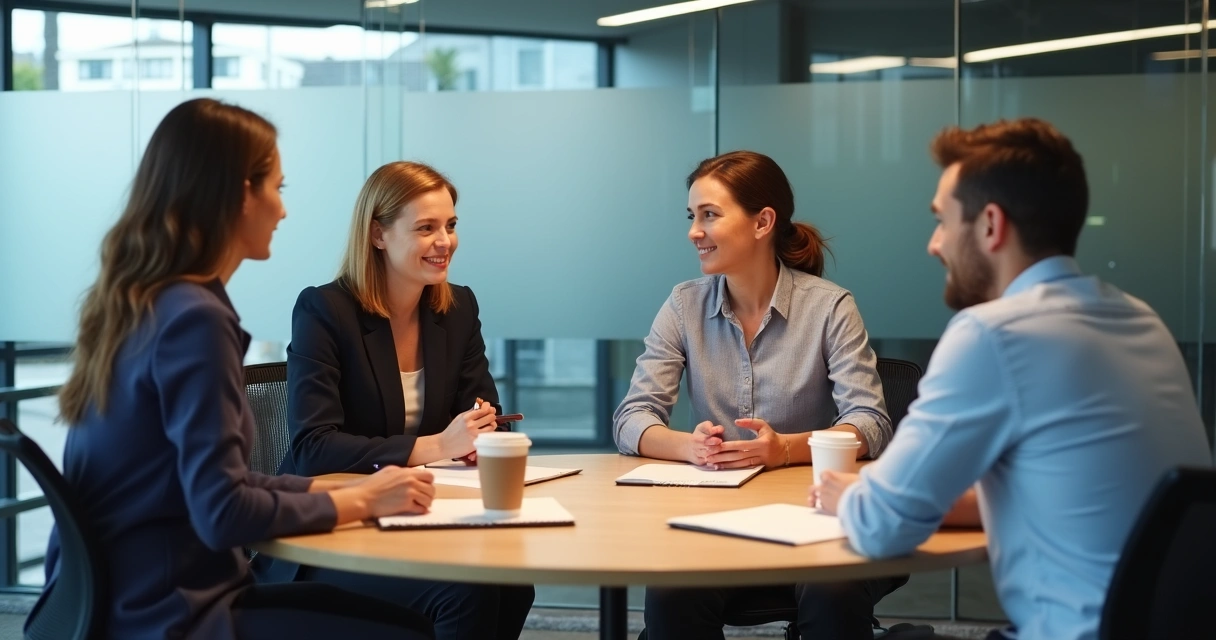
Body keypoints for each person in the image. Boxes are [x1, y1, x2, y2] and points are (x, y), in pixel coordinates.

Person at [43, 98, 437, 639]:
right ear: (239, 194)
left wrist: (347, 493)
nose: (283, 210)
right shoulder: (193, 320)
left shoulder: (145, 304)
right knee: (406, 631)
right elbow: (223, 512)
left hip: (123, 600)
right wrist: (365, 500)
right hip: (171, 612)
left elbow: (217, 482)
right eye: (277, 187)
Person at [814, 118, 1213, 640]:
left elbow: (882, 527)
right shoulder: (1140, 319)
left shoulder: (994, 333)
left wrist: (847, 493)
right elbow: (1070, 485)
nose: (935, 244)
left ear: (990, 226)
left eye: (942, 220)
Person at [613, 150, 900, 640]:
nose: (693, 231)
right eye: (692, 216)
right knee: (671, 593)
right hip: (716, 517)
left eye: (709, 215)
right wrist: (689, 446)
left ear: (763, 221)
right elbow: (632, 418)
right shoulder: (684, 305)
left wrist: (785, 449)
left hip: (814, 516)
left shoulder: (830, 308)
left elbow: (871, 421)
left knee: (831, 590)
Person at [270, 161, 534, 640]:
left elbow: (483, 414)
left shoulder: (457, 309)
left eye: (451, 226)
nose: (445, 242)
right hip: (334, 532)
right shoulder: (325, 310)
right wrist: (437, 446)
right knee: (467, 591)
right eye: (426, 228)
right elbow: (314, 446)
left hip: (421, 514)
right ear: (378, 235)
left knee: (513, 583)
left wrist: (479, 438)